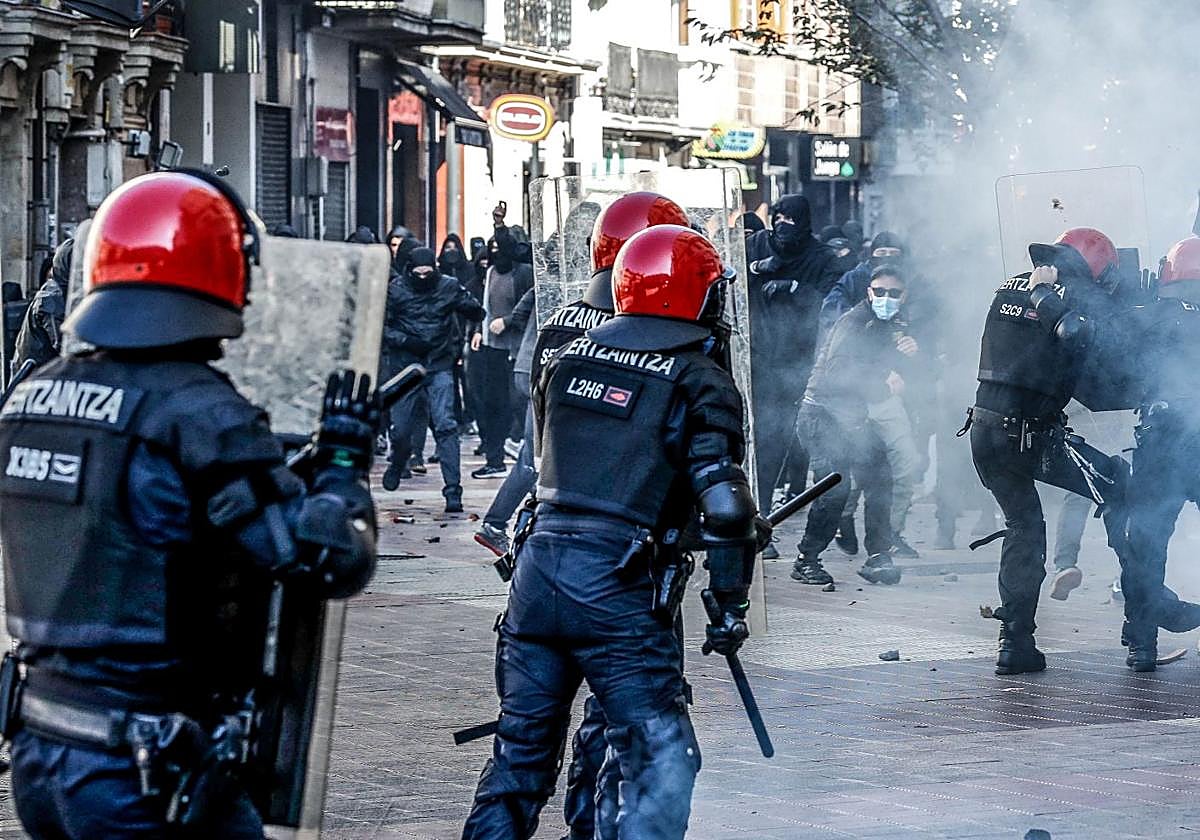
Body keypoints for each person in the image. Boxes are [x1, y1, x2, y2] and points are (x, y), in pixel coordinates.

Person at [0, 170, 379, 838]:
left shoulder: (33, 397)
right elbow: (326, 559)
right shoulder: (199, 411)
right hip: (143, 770)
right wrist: (344, 467)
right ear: (225, 277)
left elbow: (131, 521)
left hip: (42, 749)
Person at [463, 225, 762, 839]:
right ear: (695, 298)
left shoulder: (567, 357)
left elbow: (560, 464)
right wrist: (729, 605)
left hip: (535, 577)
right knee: (659, 764)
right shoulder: (699, 377)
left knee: (518, 762)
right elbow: (727, 509)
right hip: (617, 594)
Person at [967, 227, 1142, 675]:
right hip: (1026, 435)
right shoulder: (1059, 296)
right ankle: (1142, 622)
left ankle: (1015, 642)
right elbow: (1076, 335)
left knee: (1024, 525)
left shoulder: (1012, 285)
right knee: (1119, 489)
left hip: (985, 432)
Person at [1096, 235, 1200, 669]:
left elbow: (1109, 369)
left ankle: (1142, 644)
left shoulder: (1146, 316)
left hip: (1161, 442)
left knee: (1147, 543)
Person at [791, 265, 910, 586]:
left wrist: (908, 357)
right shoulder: (855, 322)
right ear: (869, 293)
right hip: (823, 416)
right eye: (880, 292)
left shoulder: (888, 325)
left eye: (893, 293)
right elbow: (838, 375)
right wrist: (884, 385)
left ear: (905, 295)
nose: (886, 298)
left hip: (853, 418)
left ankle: (878, 555)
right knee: (834, 487)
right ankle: (806, 559)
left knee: (880, 477)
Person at [745, 194, 841, 508]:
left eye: (791, 219)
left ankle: (761, 504)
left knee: (776, 438)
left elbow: (832, 301)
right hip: (752, 356)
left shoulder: (821, 257)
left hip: (795, 362)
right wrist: (757, 267)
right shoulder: (757, 245)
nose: (782, 225)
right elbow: (728, 277)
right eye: (778, 218)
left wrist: (796, 288)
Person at [381, 246, 483, 510]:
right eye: (419, 273)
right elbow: (382, 326)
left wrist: (471, 310)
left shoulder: (448, 287)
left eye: (429, 273)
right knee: (401, 427)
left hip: (438, 364)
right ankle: (399, 459)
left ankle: (453, 490)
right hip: (405, 366)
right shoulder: (396, 290)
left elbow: (474, 308)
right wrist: (406, 341)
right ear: (410, 271)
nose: (424, 278)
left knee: (446, 425)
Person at [471, 205, 533, 479]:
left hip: (516, 348)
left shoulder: (523, 273)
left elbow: (527, 309)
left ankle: (520, 446)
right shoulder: (490, 273)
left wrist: (507, 321)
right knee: (491, 402)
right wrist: (478, 330)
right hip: (492, 348)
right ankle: (494, 457)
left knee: (517, 402)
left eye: (500, 247)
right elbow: (483, 306)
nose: (495, 253)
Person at [12, 237, 72, 374]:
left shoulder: (56, 292)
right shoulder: (52, 298)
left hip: (41, 376)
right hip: (36, 381)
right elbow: (64, 348)